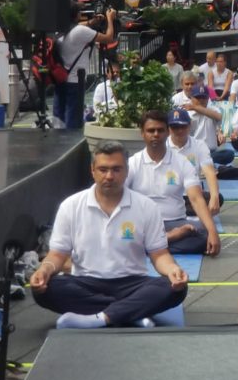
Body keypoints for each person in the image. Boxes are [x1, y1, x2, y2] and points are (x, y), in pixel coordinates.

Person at [30, 141, 188, 329]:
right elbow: (57, 255)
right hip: (85, 282)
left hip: (132, 283)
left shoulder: (146, 206)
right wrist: (44, 270)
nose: (109, 176)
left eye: (116, 169)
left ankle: (100, 318)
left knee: (174, 288)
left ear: (127, 171)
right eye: (103, 169)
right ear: (93, 170)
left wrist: (172, 270)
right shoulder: (70, 206)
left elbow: (159, 254)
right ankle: (129, 313)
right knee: (46, 290)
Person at [126, 110, 221, 257]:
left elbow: (195, 198)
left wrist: (213, 232)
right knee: (122, 233)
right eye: (151, 131)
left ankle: (147, 246)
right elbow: (118, 196)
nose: (156, 134)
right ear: (142, 133)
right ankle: (169, 239)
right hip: (143, 224)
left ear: (166, 132)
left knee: (205, 233)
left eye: (160, 130)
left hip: (175, 221)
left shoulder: (181, 162)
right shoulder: (133, 163)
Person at [52, 3, 117, 129]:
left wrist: (93, 21)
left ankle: (58, 142)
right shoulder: (80, 31)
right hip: (75, 81)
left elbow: (79, 27)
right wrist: (110, 18)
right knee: (73, 118)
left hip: (60, 79)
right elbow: (109, 38)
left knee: (59, 117)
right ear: (77, 15)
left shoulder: (61, 30)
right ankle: (71, 143)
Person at [168, 109, 222, 218]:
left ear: (189, 126)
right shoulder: (162, 146)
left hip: (192, 195)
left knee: (218, 198)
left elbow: (209, 172)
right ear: (168, 128)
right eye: (175, 127)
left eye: (183, 126)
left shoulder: (199, 145)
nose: (179, 131)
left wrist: (214, 196)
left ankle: (184, 211)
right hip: (169, 196)